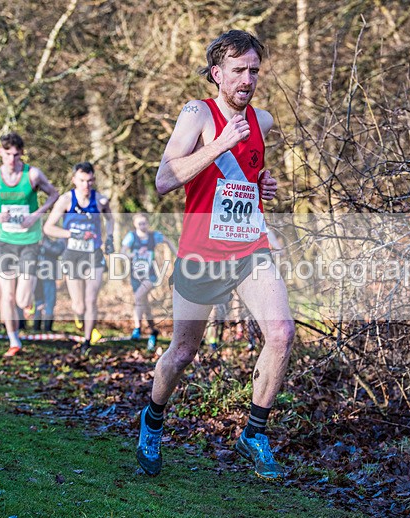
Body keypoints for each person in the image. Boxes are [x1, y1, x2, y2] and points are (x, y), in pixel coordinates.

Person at [136, 30, 295, 481]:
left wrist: (261, 186)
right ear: (217, 73)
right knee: (183, 352)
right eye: (239, 71)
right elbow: (165, 179)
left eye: (254, 71)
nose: (248, 79)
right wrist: (220, 143)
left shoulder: (261, 121)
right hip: (201, 253)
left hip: (249, 248)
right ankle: (152, 419)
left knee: (281, 333)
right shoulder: (196, 114)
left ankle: (254, 433)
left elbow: (246, 178)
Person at [0, 132, 59, 357]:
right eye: (7, 154)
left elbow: (54, 194)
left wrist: (36, 215)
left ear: (21, 154)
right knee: (7, 295)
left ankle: (29, 302)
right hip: (4, 242)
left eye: (16, 154)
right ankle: (14, 342)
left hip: (29, 241)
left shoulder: (32, 174)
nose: (12, 159)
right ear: (0, 153)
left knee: (22, 299)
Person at [43, 162, 114, 355]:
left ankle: (86, 341)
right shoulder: (66, 200)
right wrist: (71, 234)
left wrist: (110, 238)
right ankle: (80, 319)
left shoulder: (100, 201)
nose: (86, 185)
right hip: (72, 255)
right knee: (79, 305)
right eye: (82, 180)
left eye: (90, 181)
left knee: (91, 300)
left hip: (94, 254)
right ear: (74, 179)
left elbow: (110, 219)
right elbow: (48, 228)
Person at [121, 213, 177, 351]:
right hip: (135, 276)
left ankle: (137, 329)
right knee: (144, 305)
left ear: (148, 223)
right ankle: (153, 332)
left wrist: (178, 254)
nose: (143, 226)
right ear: (135, 224)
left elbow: (168, 241)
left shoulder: (153, 236)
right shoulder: (131, 237)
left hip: (150, 275)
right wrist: (130, 255)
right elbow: (123, 251)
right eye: (140, 223)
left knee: (138, 297)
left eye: (144, 223)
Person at [33, 235, 65, 332]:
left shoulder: (54, 242)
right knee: (38, 301)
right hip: (36, 274)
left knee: (50, 302)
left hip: (49, 275)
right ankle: (36, 327)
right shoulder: (32, 240)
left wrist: (44, 241)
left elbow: (58, 250)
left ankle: (48, 327)